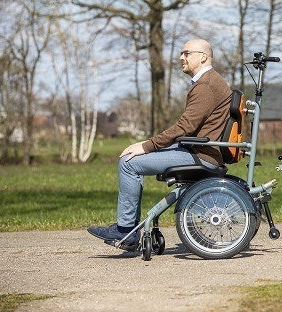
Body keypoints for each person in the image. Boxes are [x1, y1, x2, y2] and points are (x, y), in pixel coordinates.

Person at [88, 39, 232, 248]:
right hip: (198, 149)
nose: (181, 57)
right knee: (133, 159)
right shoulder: (209, 82)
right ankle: (128, 229)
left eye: (187, 53)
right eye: (181, 53)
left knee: (129, 163)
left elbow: (185, 127)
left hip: (200, 153)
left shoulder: (206, 86)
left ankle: (126, 231)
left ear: (203, 56)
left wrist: (147, 145)